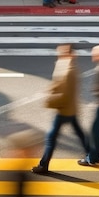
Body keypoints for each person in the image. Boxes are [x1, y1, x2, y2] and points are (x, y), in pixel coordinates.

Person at [32, 45, 88, 174]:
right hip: (71, 109)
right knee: (79, 133)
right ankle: (91, 155)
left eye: (62, 52)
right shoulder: (68, 66)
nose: (59, 54)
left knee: (51, 138)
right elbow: (59, 84)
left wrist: (50, 101)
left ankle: (43, 165)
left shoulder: (69, 70)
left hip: (64, 110)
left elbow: (65, 95)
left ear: (70, 54)